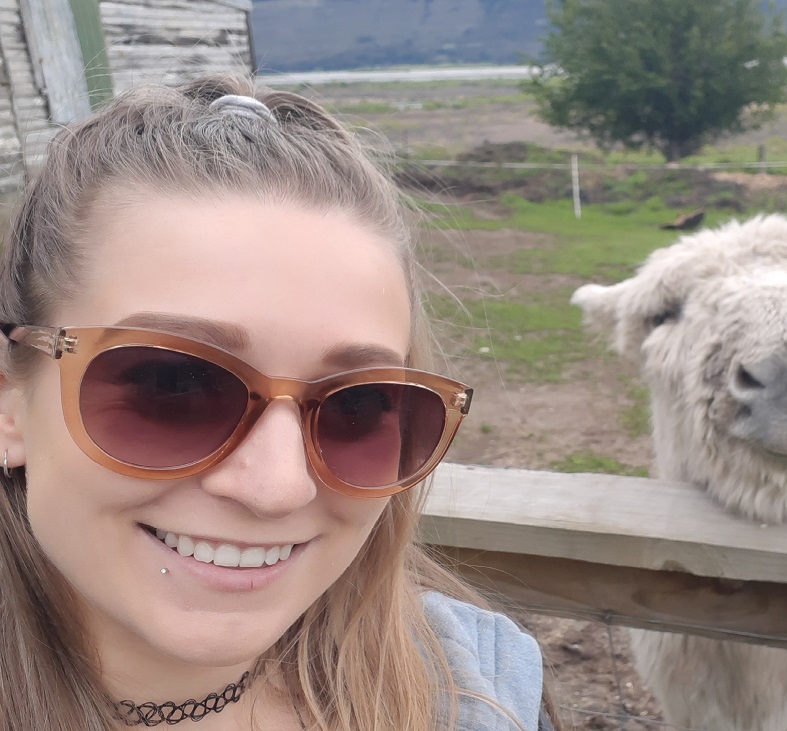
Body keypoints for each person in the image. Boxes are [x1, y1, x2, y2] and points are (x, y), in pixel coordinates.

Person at [0, 76, 557, 730]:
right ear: (11, 407)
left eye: (360, 405)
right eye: (174, 384)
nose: (277, 487)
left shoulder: (477, 689)